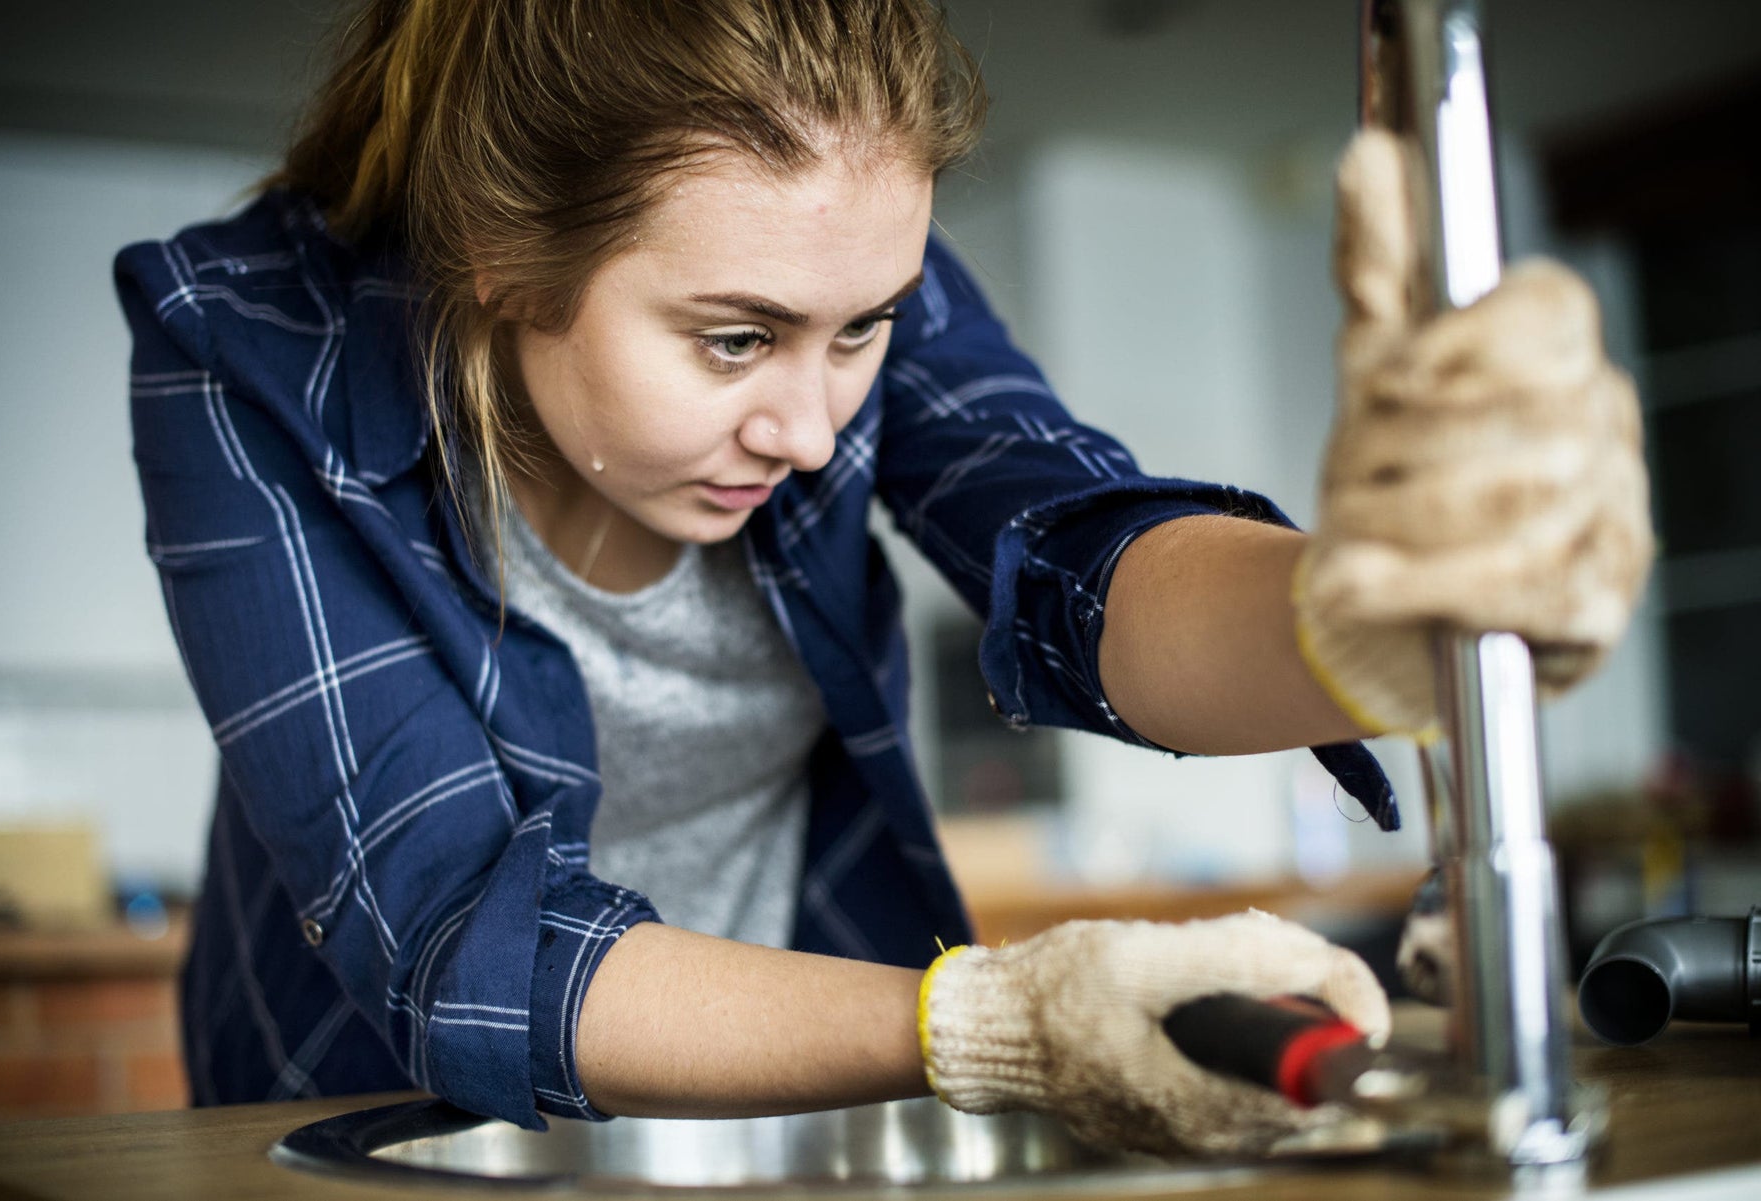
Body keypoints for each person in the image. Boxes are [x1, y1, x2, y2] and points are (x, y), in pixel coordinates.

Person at [114, 0, 1650, 1158]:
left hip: (792, 1076)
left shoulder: (837, 262)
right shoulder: (239, 347)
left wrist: (1357, 613)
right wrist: (987, 1020)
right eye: (734, 339)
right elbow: (459, 931)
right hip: (386, 1125)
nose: (808, 423)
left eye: (863, 333)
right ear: (503, 260)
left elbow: (1072, 548)